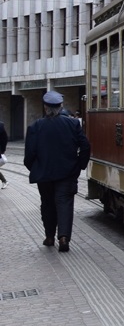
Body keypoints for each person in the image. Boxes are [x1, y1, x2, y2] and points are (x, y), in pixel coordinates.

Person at [24, 91, 91, 251]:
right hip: (67, 173)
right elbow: (86, 147)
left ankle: (49, 236)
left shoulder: (35, 127)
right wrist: (78, 166)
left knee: (47, 204)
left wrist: (35, 168)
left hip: (44, 175)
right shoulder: (73, 124)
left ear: (45, 107)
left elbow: (29, 154)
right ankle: (63, 238)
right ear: (61, 106)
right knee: (64, 204)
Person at [0, 118, 8, 189]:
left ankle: (4, 181)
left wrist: (2, 150)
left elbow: (4, 139)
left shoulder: (0, 126)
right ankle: (4, 181)